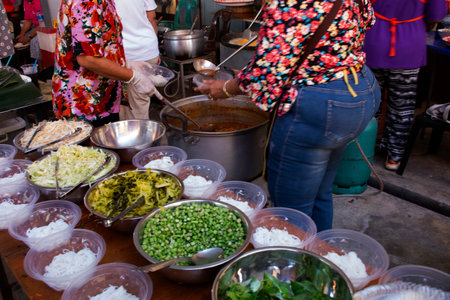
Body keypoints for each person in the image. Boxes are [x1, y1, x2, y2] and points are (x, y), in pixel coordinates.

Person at [197, 0, 381, 231]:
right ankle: (318, 259)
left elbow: (266, 74)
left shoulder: (286, 2)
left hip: (320, 103)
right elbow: (367, 21)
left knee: (291, 210)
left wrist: (224, 88)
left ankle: (292, 262)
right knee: (320, 193)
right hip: (358, 90)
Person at [363, 0, 447, 171]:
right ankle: (393, 157)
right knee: (402, 106)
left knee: (369, 103)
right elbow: (436, 15)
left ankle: (363, 151)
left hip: (373, 43)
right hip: (408, 47)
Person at [52, 0, 155, 127]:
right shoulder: (87, 2)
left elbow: (101, 46)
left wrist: (125, 63)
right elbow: (88, 59)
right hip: (84, 104)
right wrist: (133, 77)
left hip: (102, 99)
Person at [115, 0, 160, 120]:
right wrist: (154, 48)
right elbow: (152, 18)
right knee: (140, 102)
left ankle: (139, 134)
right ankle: (139, 133)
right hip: (145, 49)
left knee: (115, 100)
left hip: (120, 53)